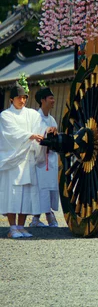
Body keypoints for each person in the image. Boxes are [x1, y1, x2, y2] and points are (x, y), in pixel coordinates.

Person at [1, 81, 54, 239]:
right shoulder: (5, 115)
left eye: (24, 97)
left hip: (28, 159)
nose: (22, 101)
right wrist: (29, 135)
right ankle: (12, 227)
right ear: (12, 100)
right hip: (14, 161)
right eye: (19, 98)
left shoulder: (31, 114)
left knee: (26, 194)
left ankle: (21, 226)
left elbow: (39, 128)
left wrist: (47, 130)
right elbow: (11, 133)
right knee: (13, 194)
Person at [30, 86, 60, 228]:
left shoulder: (52, 119)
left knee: (49, 187)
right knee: (41, 187)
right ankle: (43, 217)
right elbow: (35, 134)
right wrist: (45, 131)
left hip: (51, 158)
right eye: (51, 98)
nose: (53, 101)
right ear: (42, 100)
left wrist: (54, 132)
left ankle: (45, 216)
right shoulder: (35, 117)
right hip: (40, 159)